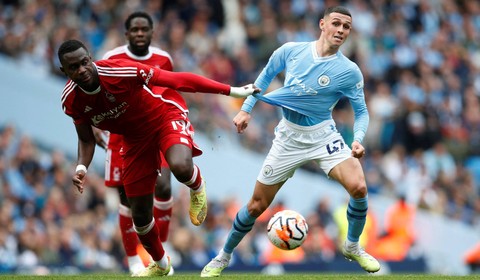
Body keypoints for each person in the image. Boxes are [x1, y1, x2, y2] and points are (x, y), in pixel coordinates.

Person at [201, 6, 380, 277]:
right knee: (256, 206)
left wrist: (357, 140)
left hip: (323, 135)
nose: (341, 30)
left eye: (346, 27)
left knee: (358, 186)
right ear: (322, 24)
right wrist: (245, 109)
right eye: (336, 23)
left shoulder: (350, 71)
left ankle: (353, 246)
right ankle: (223, 257)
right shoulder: (290, 51)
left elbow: (362, 111)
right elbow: (263, 79)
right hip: (289, 137)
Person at [58, 39, 259, 277]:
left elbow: (178, 80)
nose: (82, 69)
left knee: (180, 167)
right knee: (140, 217)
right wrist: (81, 167)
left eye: (84, 62)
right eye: (74, 67)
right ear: (65, 71)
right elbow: (86, 139)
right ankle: (162, 265)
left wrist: (232, 91)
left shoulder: (119, 70)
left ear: (90, 57)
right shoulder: (70, 100)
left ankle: (196, 185)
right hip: (133, 141)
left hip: (163, 118)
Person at [94, 11, 183, 275]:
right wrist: (92, 124)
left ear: (153, 32)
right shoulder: (111, 58)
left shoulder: (164, 58)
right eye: (135, 30)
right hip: (121, 134)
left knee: (165, 186)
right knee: (128, 200)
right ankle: (133, 259)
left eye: (145, 29)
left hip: (155, 130)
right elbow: (91, 92)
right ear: (127, 33)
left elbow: (170, 90)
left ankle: (161, 251)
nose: (140, 34)